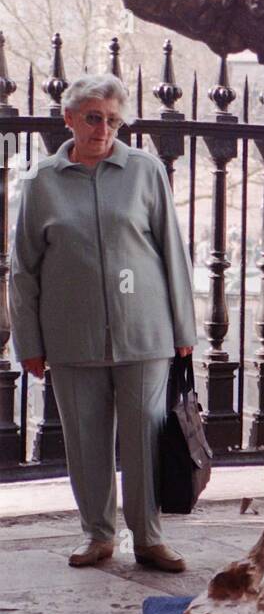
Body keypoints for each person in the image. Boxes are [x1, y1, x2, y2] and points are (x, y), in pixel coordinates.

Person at [10, 75, 197, 572]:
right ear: (69, 118)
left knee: (144, 441)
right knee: (86, 442)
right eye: (94, 117)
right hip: (72, 337)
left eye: (114, 119)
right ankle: (97, 535)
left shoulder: (145, 170)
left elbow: (172, 253)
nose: (104, 129)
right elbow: (24, 269)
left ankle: (150, 538)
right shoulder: (41, 181)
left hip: (145, 333)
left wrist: (184, 330)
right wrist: (28, 342)